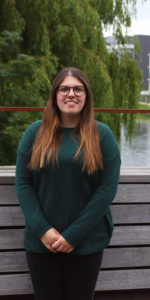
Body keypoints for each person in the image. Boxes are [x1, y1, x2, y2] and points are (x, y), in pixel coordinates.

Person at [15, 67, 121, 300]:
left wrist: (73, 235)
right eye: (64, 89)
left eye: (77, 89)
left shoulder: (102, 135)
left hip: (86, 241)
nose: (71, 94)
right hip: (42, 241)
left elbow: (106, 191)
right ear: (55, 95)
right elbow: (23, 184)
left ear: (86, 96)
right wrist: (43, 230)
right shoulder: (35, 133)